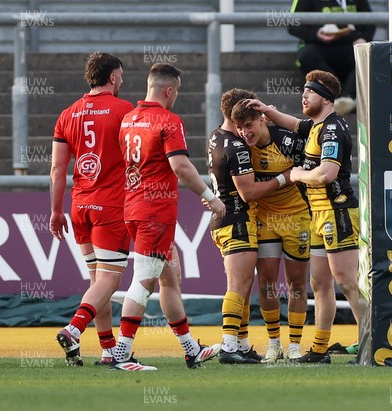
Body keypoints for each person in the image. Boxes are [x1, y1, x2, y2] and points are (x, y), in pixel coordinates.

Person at [109, 63, 225, 371]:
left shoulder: (129, 119)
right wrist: (211, 197)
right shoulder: (169, 121)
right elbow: (182, 168)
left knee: (170, 278)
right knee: (144, 281)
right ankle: (121, 353)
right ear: (169, 90)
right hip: (154, 213)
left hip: (133, 206)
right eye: (178, 92)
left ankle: (191, 350)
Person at [246, 69, 360, 363]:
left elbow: (326, 173)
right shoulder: (316, 126)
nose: (303, 96)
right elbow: (295, 124)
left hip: (337, 211)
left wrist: (297, 174)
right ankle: (320, 350)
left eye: (309, 92)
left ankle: (373, 339)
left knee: (346, 281)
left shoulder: (333, 128)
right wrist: (269, 111)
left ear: (325, 96)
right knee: (320, 285)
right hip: (319, 215)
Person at [51, 52, 134, 367]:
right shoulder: (125, 111)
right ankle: (74, 329)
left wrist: (56, 211)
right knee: (110, 280)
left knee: (98, 279)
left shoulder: (67, 114)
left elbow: (58, 170)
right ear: (112, 77)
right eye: (121, 76)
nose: (122, 81)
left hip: (80, 205)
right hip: (111, 205)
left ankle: (108, 349)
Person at [207, 88, 291, 364]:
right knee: (239, 284)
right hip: (237, 220)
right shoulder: (238, 146)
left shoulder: (215, 137)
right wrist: (283, 179)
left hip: (222, 220)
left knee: (240, 285)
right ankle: (230, 344)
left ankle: (241, 344)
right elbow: (249, 193)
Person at [230, 102, 310, 363]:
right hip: (265, 218)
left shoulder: (288, 141)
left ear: (263, 120)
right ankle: (274, 343)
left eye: (249, 125)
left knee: (297, 284)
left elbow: (311, 165)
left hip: (297, 216)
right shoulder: (242, 148)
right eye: (240, 128)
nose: (245, 133)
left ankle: (296, 344)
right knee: (266, 283)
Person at [288, 0, 375, 115]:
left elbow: (371, 21)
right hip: (318, 46)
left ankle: (346, 99)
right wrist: (316, 33)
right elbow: (292, 24)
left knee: (367, 57)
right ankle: (339, 96)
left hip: (348, 47)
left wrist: (362, 38)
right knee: (306, 55)